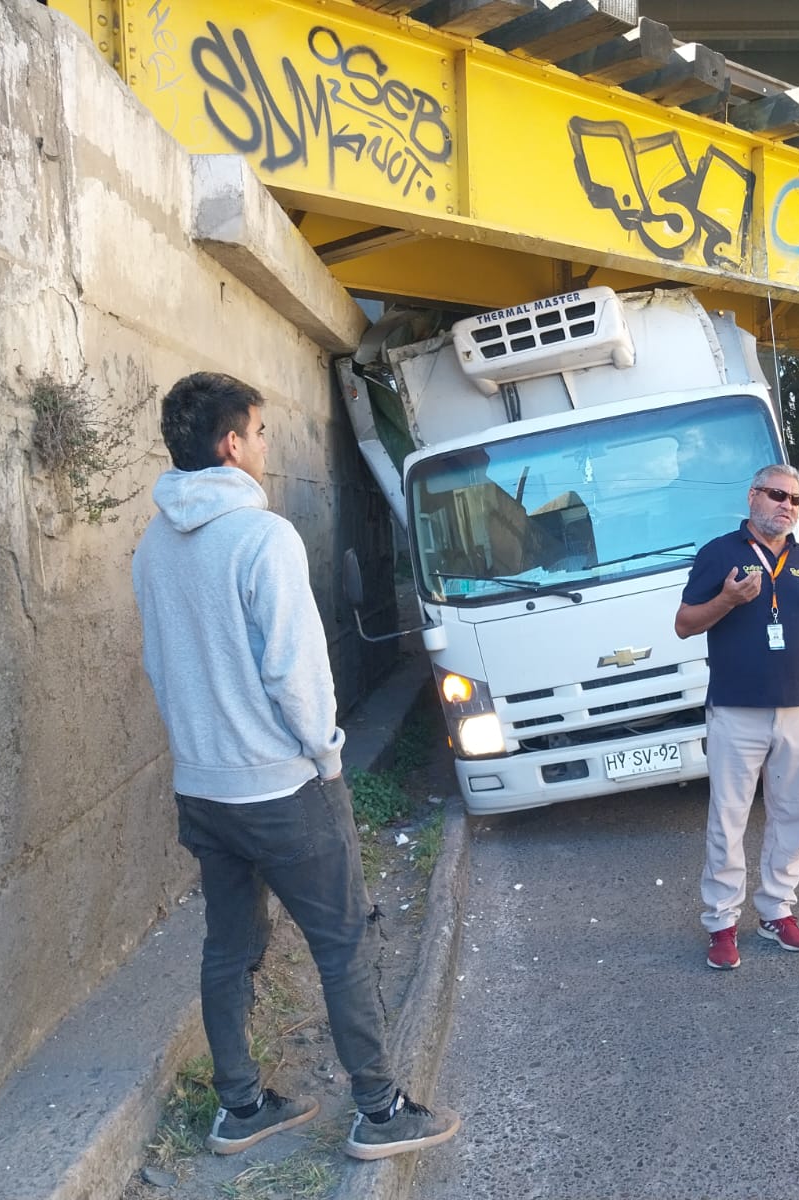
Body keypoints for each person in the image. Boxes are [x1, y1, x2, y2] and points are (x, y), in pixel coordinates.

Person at [132, 372, 460, 1160]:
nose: (268, 446)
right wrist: (327, 757)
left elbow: (158, 663)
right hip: (281, 786)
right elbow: (297, 672)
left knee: (228, 946)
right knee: (345, 942)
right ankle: (380, 1112)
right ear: (231, 444)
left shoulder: (151, 545)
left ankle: (239, 1108)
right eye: (261, 431)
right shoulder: (263, 537)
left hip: (202, 787)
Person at [675, 464, 799, 970]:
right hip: (736, 707)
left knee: (794, 812)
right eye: (778, 495)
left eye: (795, 499)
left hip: (797, 705)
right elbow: (684, 624)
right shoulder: (719, 554)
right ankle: (722, 922)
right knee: (729, 817)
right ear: (752, 496)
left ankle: (777, 910)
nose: (788, 506)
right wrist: (727, 599)